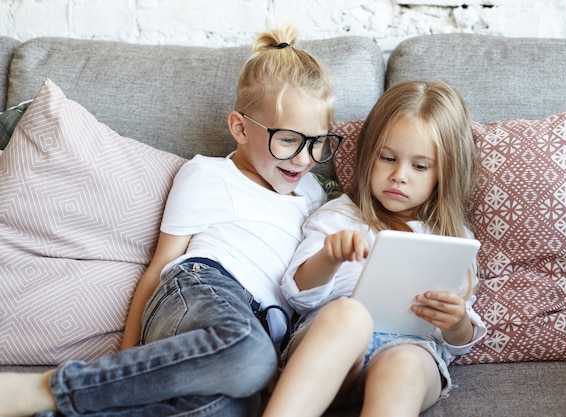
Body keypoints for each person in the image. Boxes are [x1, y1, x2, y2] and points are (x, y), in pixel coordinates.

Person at [0, 24, 343, 417]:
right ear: (240, 128)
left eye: (318, 142)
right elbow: (159, 267)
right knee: (249, 354)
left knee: (228, 408)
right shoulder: (209, 175)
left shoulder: (315, 193)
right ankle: (51, 389)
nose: (304, 158)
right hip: (201, 289)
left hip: (263, 326)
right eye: (288, 139)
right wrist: (128, 353)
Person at [262, 80, 488, 417]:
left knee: (405, 364)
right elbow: (298, 296)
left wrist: (457, 324)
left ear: (445, 173)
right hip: (334, 351)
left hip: (411, 347)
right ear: (369, 156)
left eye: (420, 166)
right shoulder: (338, 215)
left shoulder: (451, 237)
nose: (399, 175)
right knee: (349, 314)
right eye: (388, 158)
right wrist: (328, 257)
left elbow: (458, 339)